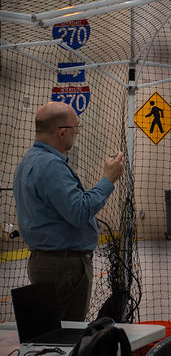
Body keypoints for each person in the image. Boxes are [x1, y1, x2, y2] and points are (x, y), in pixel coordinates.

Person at [13, 102, 124, 321]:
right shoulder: (50, 165)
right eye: (75, 128)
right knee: (66, 334)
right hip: (63, 267)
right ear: (62, 132)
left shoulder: (29, 160)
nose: (77, 133)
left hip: (48, 262)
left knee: (51, 331)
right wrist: (108, 179)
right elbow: (79, 211)